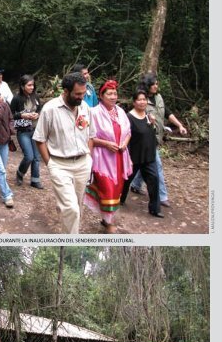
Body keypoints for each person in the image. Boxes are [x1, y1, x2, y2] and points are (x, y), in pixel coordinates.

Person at [33, 72, 95, 234]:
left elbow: (91, 135)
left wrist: (89, 157)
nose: (81, 97)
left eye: (83, 93)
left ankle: (68, 223)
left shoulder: (85, 108)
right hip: (59, 165)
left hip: (82, 164)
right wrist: (50, 164)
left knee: (77, 206)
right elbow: (40, 139)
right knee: (71, 209)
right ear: (66, 91)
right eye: (78, 94)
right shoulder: (50, 109)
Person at [130, 73, 187, 207]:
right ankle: (162, 196)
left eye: (157, 83)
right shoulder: (141, 100)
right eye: (154, 84)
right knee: (157, 166)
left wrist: (180, 125)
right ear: (147, 85)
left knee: (142, 164)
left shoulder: (159, 97)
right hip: (145, 139)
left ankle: (135, 185)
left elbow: (167, 112)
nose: (156, 86)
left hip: (156, 138)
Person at [84, 80, 133, 234]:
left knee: (117, 188)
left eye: (115, 94)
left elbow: (128, 132)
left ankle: (106, 218)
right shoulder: (94, 113)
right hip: (102, 158)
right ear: (101, 96)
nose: (113, 97)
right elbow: (88, 136)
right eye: (109, 94)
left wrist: (124, 143)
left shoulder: (121, 112)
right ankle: (108, 222)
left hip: (119, 156)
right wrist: (105, 144)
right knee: (107, 187)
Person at [120, 89, 164, 218]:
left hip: (149, 156)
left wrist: (153, 124)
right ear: (134, 102)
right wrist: (127, 157)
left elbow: (151, 134)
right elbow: (125, 136)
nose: (142, 102)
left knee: (154, 180)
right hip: (134, 157)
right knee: (126, 181)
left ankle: (155, 209)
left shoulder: (149, 117)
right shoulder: (129, 117)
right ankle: (119, 200)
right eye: (139, 99)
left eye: (144, 99)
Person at [10, 74, 43, 189]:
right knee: (29, 156)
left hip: (35, 129)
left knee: (36, 157)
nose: (32, 87)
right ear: (22, 86)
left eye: (33, 85)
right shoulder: (16, 98)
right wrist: (21, 115)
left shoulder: (36, 97)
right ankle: (20, 173)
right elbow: (10, 115)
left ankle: (35, 180)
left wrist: (37, 114)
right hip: (23, 131)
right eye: (29, 85)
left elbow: (40, 109)